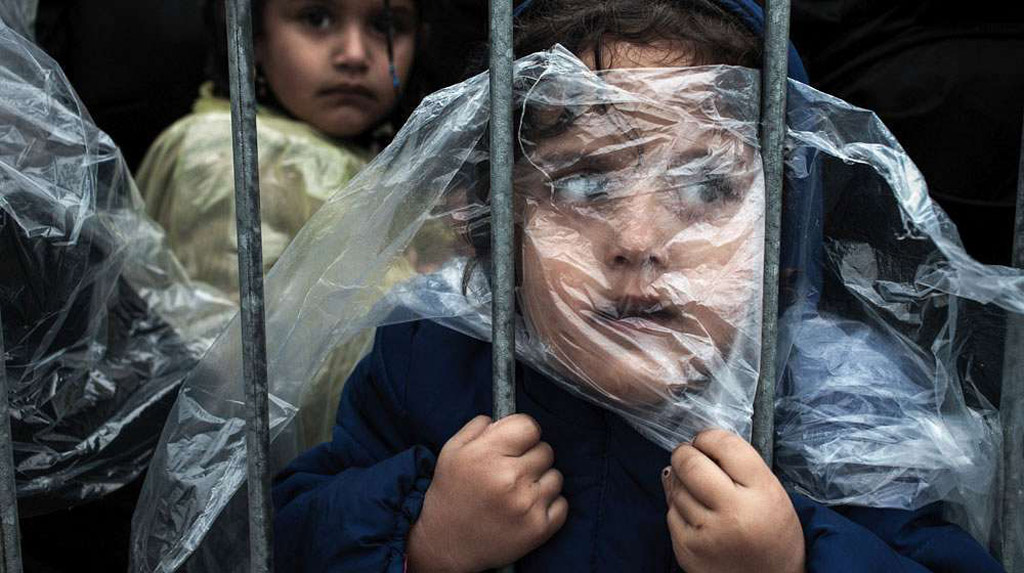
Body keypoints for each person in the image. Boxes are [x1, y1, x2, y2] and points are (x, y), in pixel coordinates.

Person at [268, 0, 1006, 571]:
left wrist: (795, 558)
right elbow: (284, 535)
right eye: (583, 183)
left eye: (707, 186)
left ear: (783, 232)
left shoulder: (835, 409)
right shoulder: (428, 363)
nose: (640, 241)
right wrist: (425, 540)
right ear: (493, 220)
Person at [135, 0, 424, 446]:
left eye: (386, 26)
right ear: (254, 37)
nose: (354, 54)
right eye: (316, 19)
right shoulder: (224, 154)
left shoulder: (393, 164)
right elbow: (234, 378)